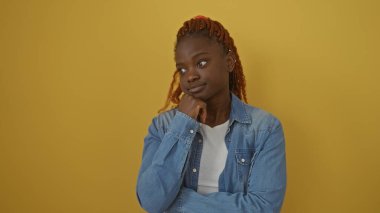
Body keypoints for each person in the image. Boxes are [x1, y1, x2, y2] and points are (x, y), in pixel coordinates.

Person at [136, 15, 287, 213]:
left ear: (229, 62)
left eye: (201, 63)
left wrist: (175, 203)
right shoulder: (162, 127)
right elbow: (151, 201)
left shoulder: (265, 129)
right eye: (182, 69)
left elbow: (263, 208)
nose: (190, 76)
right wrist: (182, 123)